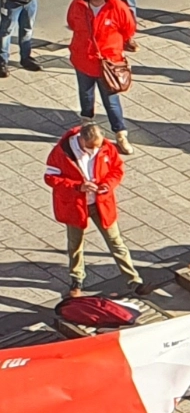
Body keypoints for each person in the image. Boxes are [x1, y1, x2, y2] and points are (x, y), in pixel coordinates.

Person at [46, 122, 143, 299]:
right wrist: (78, 187)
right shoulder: (61, 152)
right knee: (75, 244)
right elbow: (51, 177)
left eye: (97, 147)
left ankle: (133, 279)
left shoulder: (105, 147)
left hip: (102, 203)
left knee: (116, 241)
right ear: (81, 140)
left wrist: (107, 185)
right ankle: (77, 280)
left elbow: (117, 170)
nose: (94, 151)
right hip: (75, 205)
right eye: (90, 148)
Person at [68, 0, 138, 155]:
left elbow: (128, 29)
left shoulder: (117, 8)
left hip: (108, 64)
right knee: (86, 94)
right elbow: (72, 23)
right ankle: (87, 125)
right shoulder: (78, 4)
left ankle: (120, 133)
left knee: (111, 101)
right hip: (83, 59)